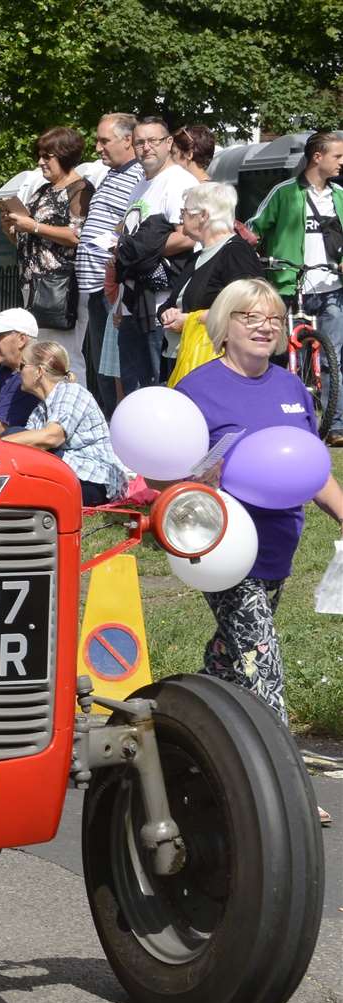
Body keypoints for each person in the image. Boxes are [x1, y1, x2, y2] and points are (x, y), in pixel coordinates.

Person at [175, 279, 343, 819]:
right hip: (223, 547)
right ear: (225, 326)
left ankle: (189, 723)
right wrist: (203, 476)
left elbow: (310, 468)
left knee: (233, 653)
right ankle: (286, 791)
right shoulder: (197, 390)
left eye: (273, 317)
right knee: (261, 655)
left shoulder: (292, 388)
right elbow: (166, 477)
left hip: (277, 546)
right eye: (250, 316)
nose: (265, 325)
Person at [248, 130, 343, 443]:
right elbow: (253, 229)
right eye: (337, 156)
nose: (342, 162)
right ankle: (288, 418)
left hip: (331, 286)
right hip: (292, 286)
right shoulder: (285, 193)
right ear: (317, 157)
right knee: (287, 359)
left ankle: (336, 425)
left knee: (334, 358)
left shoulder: (340, 196)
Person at [112, 116, 198, 399]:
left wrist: (137, 252)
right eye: (139, 142)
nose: (146, 147)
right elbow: (130, 237)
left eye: (153, 141)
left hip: (162, 304)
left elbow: (188, 235)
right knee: (134, 386)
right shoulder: (141, 184)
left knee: (159, 386)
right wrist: (119, 300)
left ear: (169, 143)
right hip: (132, 302)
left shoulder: (179, 182)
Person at [75, 113, 146, 412]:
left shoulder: (139, 176)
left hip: (112, 291)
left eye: (104, 140)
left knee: (113, 373)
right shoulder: (112, 173)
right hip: (95, 289)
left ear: (127, 140)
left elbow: (133, 226)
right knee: (100, 370)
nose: (97, 147)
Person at [2, 126, 92, 361]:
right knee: (38, 356)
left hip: (60, 287)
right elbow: (28, 239)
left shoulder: (80, 190)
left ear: (65, 155)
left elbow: (76, 236)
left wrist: (31, 225)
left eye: (47, 156)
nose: (40, 162)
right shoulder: (42, 191)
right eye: (39, 156)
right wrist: (11, 227)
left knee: (64, 356)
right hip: (33, 285)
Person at [158, 182, 265, 378]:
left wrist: (190, 320)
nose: (181, 217)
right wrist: (167, 313)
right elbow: (171, 304)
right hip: (181, 358)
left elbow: (247, 308)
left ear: (204, 216)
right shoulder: (197, 257)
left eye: (185, 211)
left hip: (212, 364)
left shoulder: (235, 253)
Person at [3, 342, 125, 505]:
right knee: (16, 434)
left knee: (13, 435)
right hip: (68, 474)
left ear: (39, 371)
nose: (19, 372)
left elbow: (52, 437)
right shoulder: (39, 411)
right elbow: (28, 450)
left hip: (95, 480)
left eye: (23, 365)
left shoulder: (71, 391)